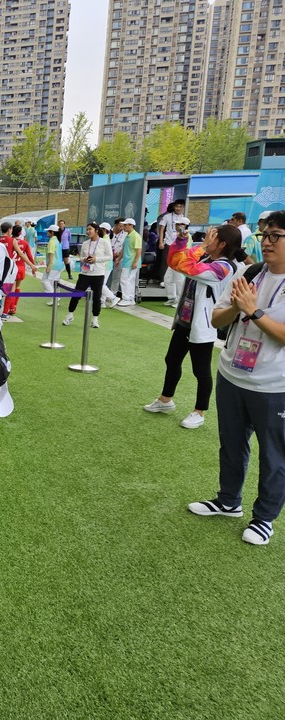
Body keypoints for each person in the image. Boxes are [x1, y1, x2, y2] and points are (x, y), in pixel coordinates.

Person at [189, 210, 285, 545]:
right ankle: (228, 500)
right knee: (231, 444)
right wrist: (237, 307)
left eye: (276, 236)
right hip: (231, 373)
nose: (267, 242)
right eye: (264, 235)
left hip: (274, 385)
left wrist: (253, 311)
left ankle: (264, 518)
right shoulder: (250, 272)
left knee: (274, 454)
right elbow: (217, 319)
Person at [144, 222, 245, 428]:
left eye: (212, 236)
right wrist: (181, 241)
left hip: (203, 326)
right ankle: (165, 399)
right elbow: (174, 262)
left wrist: (202, 247)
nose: (206, 239)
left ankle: (199, 412)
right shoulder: (207, 259)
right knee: (172, 360)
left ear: (222, 244)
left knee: (201, 371)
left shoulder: (224, 268)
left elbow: (186, 266)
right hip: (185, 321)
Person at [63, 223, 113, 329]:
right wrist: (85, 259)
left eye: (90, 229)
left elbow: (109, 256)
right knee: (76, 295)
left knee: (97, 297)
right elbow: (81, 257)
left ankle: (95, 319)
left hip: (98, 273)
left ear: (96, 230)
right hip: (85, 273)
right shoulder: (85, 243)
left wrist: (96, 259)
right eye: (87, 229)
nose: (88, 231)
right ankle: (70, 314)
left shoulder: (104, 242)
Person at [2, 224, 37, 316]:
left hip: (9, 267)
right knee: (16, 287)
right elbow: (29, 256)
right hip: (20, 267)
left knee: (9, 288)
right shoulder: (24, 243)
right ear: (20, 233)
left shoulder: (4, 240)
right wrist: (33, 266)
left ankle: (8, 308)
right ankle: (13, 307)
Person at [157, 200, 186, 306]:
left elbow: (185, 240)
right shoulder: (167, 217)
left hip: (179, 252)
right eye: (177, 206)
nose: (178, 208)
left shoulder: (184, 232)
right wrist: (161, 241)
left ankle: (180, 299)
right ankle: (172, 298)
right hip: (169, 244)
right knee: (168, 277)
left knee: (178, 277)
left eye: (180, 206)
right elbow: (162, 229)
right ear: (174, 207)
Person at [118, 218, 142, 306]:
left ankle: (126, 299)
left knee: (124, 280)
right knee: (130, 281)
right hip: (128, 262)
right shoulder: (128, 236)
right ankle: (131, 299)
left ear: (131, 225)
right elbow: (124, 249)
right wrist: (118, 259)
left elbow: (139, 250)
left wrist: (135, 262)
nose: (123, 227)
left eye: (125, 225)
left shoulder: (136, 236)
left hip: (131, 263)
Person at [41, 224, 64, 307]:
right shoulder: (57, 240)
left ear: (52, 232)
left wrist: (48, 266)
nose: (47, 232)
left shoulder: (52, 241)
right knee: (54, 282)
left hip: (53, 265)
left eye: (48, 231)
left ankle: (55, 298)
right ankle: (54, 299)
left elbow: (51, 253)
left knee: (45, 281)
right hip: (59, 264)